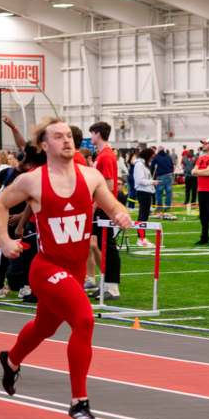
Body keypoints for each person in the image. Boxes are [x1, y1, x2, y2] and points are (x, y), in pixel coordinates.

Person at [0, 117, 132, 419]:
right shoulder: (33, 180)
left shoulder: (91, 175)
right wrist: (4, 240)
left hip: (75, 269)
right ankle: (78, 402)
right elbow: (0, 205)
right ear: (45, 145)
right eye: (58, 136)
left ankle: (11, 360)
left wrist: (122, 215)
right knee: (84, 319)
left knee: (45, 326)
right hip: (47, 268)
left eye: (69, 136)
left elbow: (112, 206)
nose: (67, 141)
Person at [87, 121, 122, 301]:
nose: (90, 137)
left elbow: (108, 185)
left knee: (108, 248)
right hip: (99, 207)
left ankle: (113, 286)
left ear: (98, 134)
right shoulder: (101, 155)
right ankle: (106, 283)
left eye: (92, 134)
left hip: (104, 208)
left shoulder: (106, 156)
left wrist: (95, 206)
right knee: (101, 246)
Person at [133, 147, 157, 247]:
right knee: (142, 216)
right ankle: (141, 238)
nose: (152, 158)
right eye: (151, 156)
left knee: (144, 216)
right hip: (143, 192)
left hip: (146, 192)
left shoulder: (143, 164)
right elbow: (139, 180)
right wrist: (152, 182)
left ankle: (142, 238)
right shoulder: (139, 165)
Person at [152, 147, 173, 217]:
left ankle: (159, 206)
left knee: (159, 192)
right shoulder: (168, 156)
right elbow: (172, 165)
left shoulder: (156, 157)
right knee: (168, 192)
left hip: (160, 176)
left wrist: (152, 175)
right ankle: (168, 206)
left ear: (158, 150)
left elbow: (152, 166)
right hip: (169, 175)